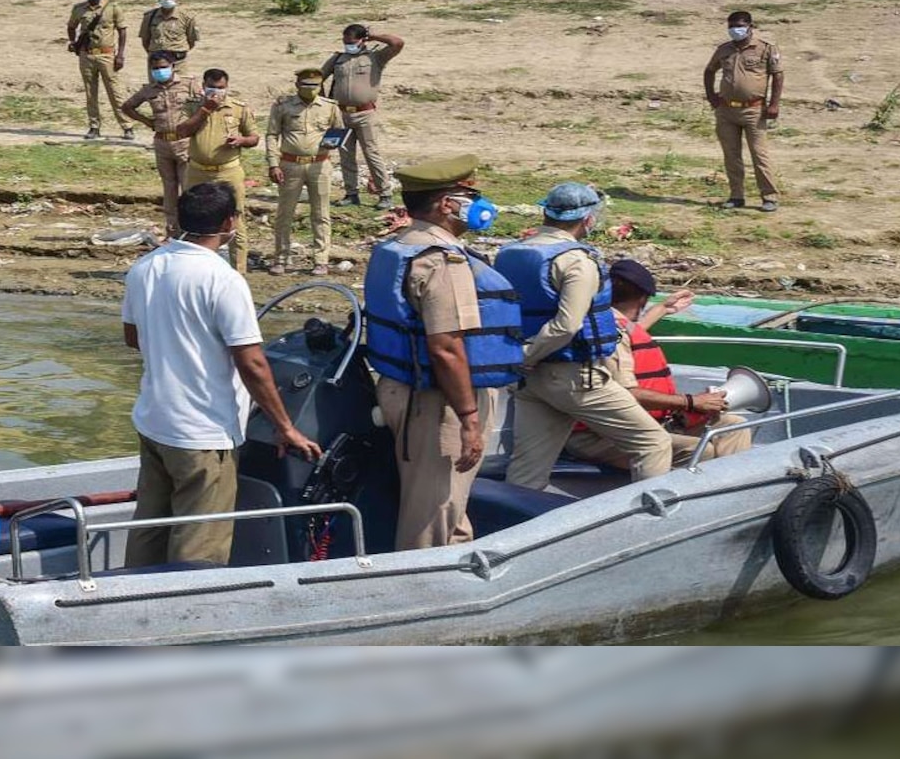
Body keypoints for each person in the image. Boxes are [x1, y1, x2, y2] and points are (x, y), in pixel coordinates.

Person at [122, 182, 322, 568]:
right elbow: (252, 362)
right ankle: (187, 615)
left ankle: (131, 595)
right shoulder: (223, 279)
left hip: (154, 420)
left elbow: (134, 338)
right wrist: (286, 427)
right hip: (203, 431)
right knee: (200, 542)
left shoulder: (145, 266)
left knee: (150, 527)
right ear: (229, 223)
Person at [364, 156, 524, 551]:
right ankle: (415, 592)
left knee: (451, 507)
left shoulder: (398, 245)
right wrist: (470, 419)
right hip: (441, 404)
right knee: (432, 515)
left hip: (404, 389)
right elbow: (447, 347)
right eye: (470, 195)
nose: (479, 203)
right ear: (447, 205)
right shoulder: (442, 261)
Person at [494, 183, 672, 488]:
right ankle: (647, 527)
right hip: (575, 379)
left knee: (527, 470)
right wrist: (526, 356)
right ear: (588, 219)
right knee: (653, 443)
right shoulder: (577, 260)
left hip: (531, 381)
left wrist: (518, 357)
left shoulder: (509, 253)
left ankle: (508, 530)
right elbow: (567, 325)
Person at [565, 259, 752, 469]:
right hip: (599, 435)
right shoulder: (608, 333)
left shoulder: (608, 326)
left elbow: (630, 334)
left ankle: (730, 490)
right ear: (642, 299)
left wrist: (663, 309)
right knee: (700, 450)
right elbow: (626, 394)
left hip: (644, 423)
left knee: (734, 425)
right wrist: (691, 402)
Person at [174, 69, 259, 274]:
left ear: (227, 87)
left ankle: (238, 271)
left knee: (235, 219)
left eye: (221, 88)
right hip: (197, 171)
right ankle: (185, 267)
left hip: (228, 170)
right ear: (203, 86)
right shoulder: (191, 106)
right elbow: (182, 131)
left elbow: (254, 137)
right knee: (189, 216)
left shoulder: (238, 108)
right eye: (212, 87)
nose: (217, 92)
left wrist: (241, 141)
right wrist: (205, 110)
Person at [703, 10, 784, 212]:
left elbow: (778, 75)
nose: (735, 30)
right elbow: (709, 71)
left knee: (759, 154)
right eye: (731, 26)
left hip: (754, 111)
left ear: (750, 26)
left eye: (739, 25)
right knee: (731, 155)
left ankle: (769, 197)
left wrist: (774, 104)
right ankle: (736, 196)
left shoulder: (765, 48)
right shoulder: (724, 49)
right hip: (726, 111)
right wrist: (712, 96)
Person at [266, 68, 343, 277]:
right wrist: (273, 164)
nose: (310, 90)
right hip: (290, 165)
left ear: (320, 87)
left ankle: (321, 260)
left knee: (321, 213)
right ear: (297, 85)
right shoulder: (283, 105)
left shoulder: (330, 107)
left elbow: (339, 131)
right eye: (306, 85)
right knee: (285, 214)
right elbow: (272, 135)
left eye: (315, 86)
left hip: (320, 164)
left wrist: (333, 143)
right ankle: (281, 258)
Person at [321, 24, 404, 210]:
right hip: (341, 114)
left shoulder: (375, 57)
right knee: (345, 155)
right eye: (345, 42)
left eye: (351, 42)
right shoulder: (337, 59)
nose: (347, 45)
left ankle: (385, 194)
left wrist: (373, 36)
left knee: (371, 153)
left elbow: (397, 43)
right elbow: (319, 77)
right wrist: (324, 102)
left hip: (365, 114)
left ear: (361, 40)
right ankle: (351, 194)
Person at [121, 51, 199, 236]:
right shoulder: (149, 89)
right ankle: (173, 229)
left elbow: (204, 108)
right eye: (155, 68)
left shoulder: (188, 84)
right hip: (162, 143)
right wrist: (147, 122)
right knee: (169, 188)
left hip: (184, 143)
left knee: (188, 188)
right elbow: (127, 107)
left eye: (163, 67)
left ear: (173, 66)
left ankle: (191, 229)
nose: (159, 71)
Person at [66, 0, 134, 141]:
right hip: (87, 54)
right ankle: (94, 127)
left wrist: (120, 54)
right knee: (90, 92)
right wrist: (73, 42)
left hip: (107, 54)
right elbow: (71, 26)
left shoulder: (112, 7)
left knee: (115, 91)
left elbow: (122, 31)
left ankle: (127, 126)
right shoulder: (79, 8)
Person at [139, 0, 200, 75]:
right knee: (156, 87)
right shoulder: (150, 16)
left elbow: (191, 41)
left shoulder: (187, 17)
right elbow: (145, 40)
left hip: (178, 62)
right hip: (157, 63)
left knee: (180, 87)